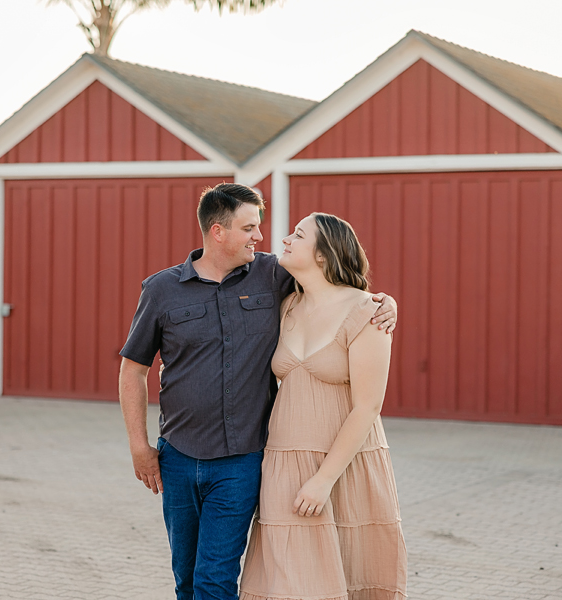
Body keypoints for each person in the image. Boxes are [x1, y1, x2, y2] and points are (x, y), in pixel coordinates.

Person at [118, 183, 397, 600]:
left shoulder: (271, 274)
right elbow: (132, 369)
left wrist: (385, 302)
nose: (261, 237)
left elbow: (336, 284)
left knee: (215, 579)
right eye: (249, 227)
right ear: (218, 231)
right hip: (176, 455)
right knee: (186, 578)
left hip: (243, 459)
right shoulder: (162, 289)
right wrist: (140, 447)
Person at [239, 212, 407, 600]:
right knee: (285, 581)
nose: (284, 239)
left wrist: (323, 479)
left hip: (346, 465)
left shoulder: (368, 311)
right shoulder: (284, 306)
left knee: (351, 574)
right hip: (283, 460)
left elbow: (368, 406)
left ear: (323, 254)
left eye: (298, 235)